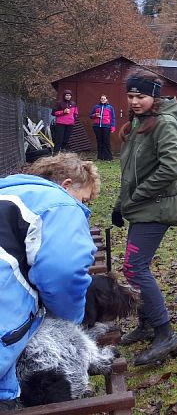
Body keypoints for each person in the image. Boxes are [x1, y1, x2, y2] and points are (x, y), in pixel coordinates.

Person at [0, 153, 99, 410]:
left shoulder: (10, 196)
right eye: (85, 199)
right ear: (66, 186)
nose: (84, 207)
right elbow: (62, 271)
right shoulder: (59, 203)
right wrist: (69, 323)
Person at [112, 70, 177, 367]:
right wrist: (120, 204)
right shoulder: (138, 124)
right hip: (141, 207)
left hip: (157, 207)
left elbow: (170, 169)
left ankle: (165, 333)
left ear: (154, 96)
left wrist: (136, 196)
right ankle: (144, 325)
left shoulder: (165, 124)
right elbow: (130, 173)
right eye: (130, 96)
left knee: (134, 268)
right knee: (134, 268)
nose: (134, 101)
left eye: (140, 96)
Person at [89, 95, 116, 161]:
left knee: (106, 142)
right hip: (97, 126)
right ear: (100, 100)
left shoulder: (110, 107)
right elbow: (90, 116)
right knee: (99, 142)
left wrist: (113, 127)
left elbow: (113, 118)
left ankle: (108, 157)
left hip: (106, 126)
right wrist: (95, 115)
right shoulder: (96, 107)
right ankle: (100, 157)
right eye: (102, 99)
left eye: (104, 99)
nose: (103, 100)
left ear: (106, 100)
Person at [51, 90, 78, 154]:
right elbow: (53, 113)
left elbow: (76, 112)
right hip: (60, 123)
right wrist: (63, 112)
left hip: (70, 124)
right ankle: (56, 152)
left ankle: (63, 151)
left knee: (66, 138)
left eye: (69, 95)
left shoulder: (73, 103)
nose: (68, 97)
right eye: (67, 95)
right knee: (59, 138)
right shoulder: (59, 103)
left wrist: (74, 118)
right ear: (64, 96)